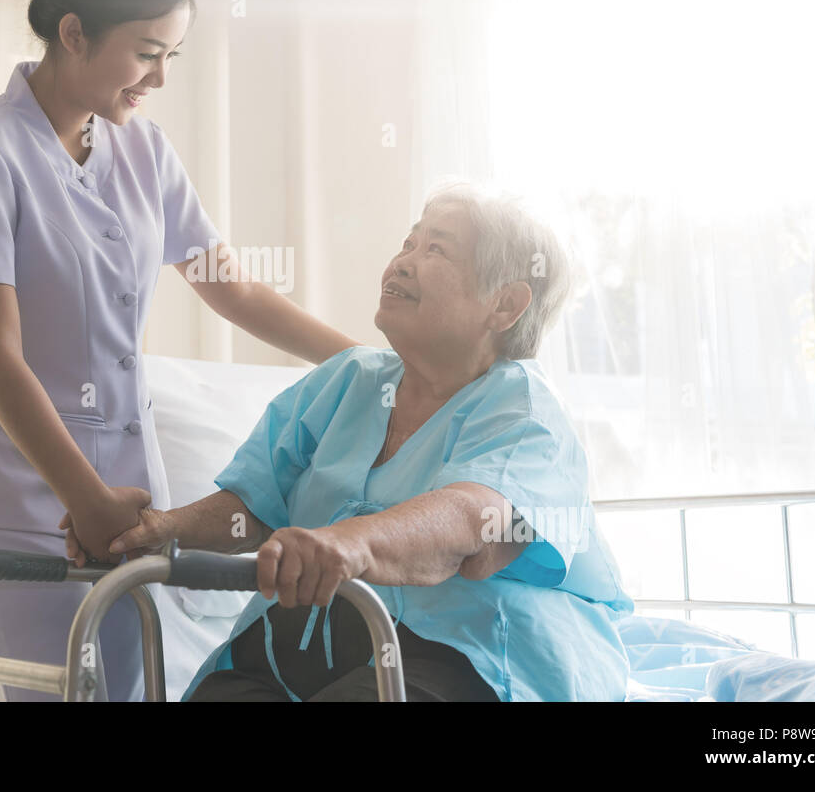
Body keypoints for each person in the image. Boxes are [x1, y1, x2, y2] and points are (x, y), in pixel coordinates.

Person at [0, 0, 359, 701]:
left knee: (131, 687)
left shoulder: (142, 147)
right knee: (49, 692)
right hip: (28, 485)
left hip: (130, 488)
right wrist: (81, 498)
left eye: (173, 56)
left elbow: (232, 286)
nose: (159, 78)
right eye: (147, 53)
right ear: (76, 33)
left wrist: (365, 362)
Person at [91, 180, 635, 701]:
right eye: (409, 241)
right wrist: (159, 530)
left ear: (505, 304)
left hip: (472, 657)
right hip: (294, 652)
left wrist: (351, 542)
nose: (402, 260)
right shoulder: (347, 381)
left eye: (437, 250)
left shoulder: (523, 409)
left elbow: (474, 519)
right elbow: (252, 506)